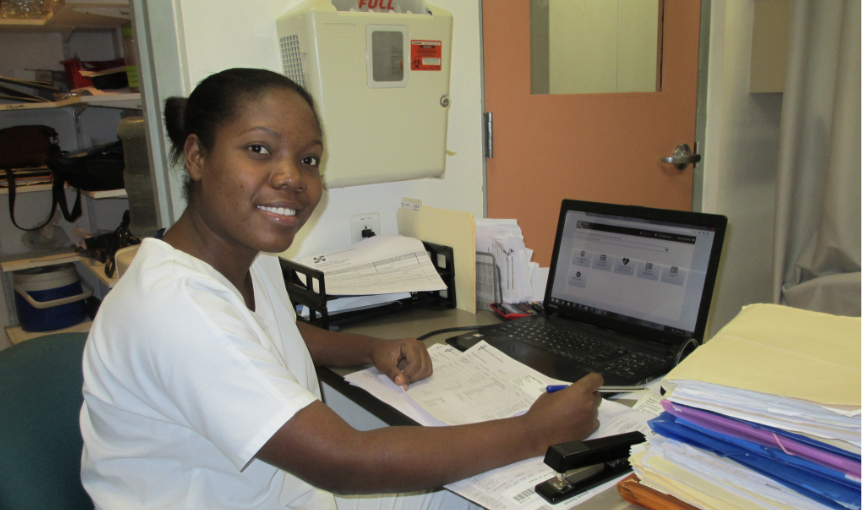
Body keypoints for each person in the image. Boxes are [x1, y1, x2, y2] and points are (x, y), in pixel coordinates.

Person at [80, 68, 603, 510]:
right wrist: (537, 431)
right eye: (259, 149)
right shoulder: (177, 307)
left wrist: (369, 349)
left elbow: (273, 332)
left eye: (308, 159)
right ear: (196, 157)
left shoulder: (242, 255)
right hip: (296, 489)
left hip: (294, 496)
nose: (291, 177)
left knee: (507, 493)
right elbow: (345, 463)